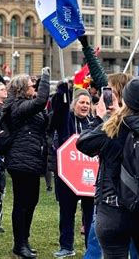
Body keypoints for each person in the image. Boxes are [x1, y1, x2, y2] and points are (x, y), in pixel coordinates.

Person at [77, 78, 139, 259]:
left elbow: (83, 144)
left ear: (126, 100)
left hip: (113, 210)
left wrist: (99, 118)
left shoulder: (112, 128)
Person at [3, 67, 50, 258]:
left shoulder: (28, 105)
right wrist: (46, 77)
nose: (34, 87)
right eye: (31, 85)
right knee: (22, 204)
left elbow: (45, 118)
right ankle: (19, 244)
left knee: (31, 202)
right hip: (20, 161)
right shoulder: (17, 105)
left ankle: (25, 240)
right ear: (22, 89)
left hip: (32, 160)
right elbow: (41, 102)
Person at [50, 86, 99, 257]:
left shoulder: (93, 123)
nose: (85, 106)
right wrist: (62, 93)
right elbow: (58, 112)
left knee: (90, 215)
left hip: (89, 178)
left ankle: (90, 248)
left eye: (88, 103)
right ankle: (66, 246)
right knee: (67, 212)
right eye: (82, 102)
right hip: (68, 176)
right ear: (74, 104)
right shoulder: (67, 120)